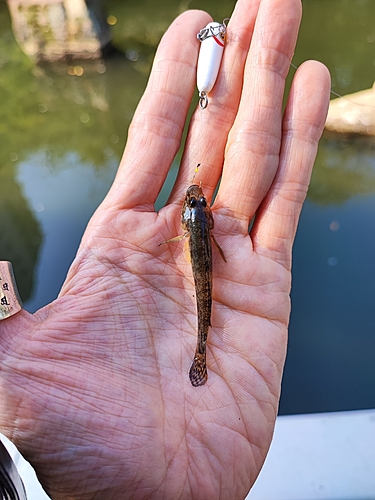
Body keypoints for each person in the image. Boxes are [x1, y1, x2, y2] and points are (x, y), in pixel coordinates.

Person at [0, 0, 330, 498]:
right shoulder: (203, 229)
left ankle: (201, 346)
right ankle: (202, 346)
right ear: (201, 223)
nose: (193, 201)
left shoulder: (189, 228)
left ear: (189, 225)